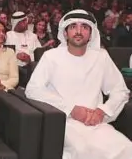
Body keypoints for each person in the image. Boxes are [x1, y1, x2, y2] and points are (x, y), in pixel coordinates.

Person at [25, 9, 132, 159]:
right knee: (83, 150)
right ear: (65, 32)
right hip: (65, 123)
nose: (79, 31)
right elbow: (33, 90)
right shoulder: (51, 57)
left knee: (127, 148)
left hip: (96, 125)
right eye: (73, 26)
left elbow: (120, 91)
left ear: (91, 34)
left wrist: (103, 111)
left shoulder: (101, 57)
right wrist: (71, 109)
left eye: (84, 27)